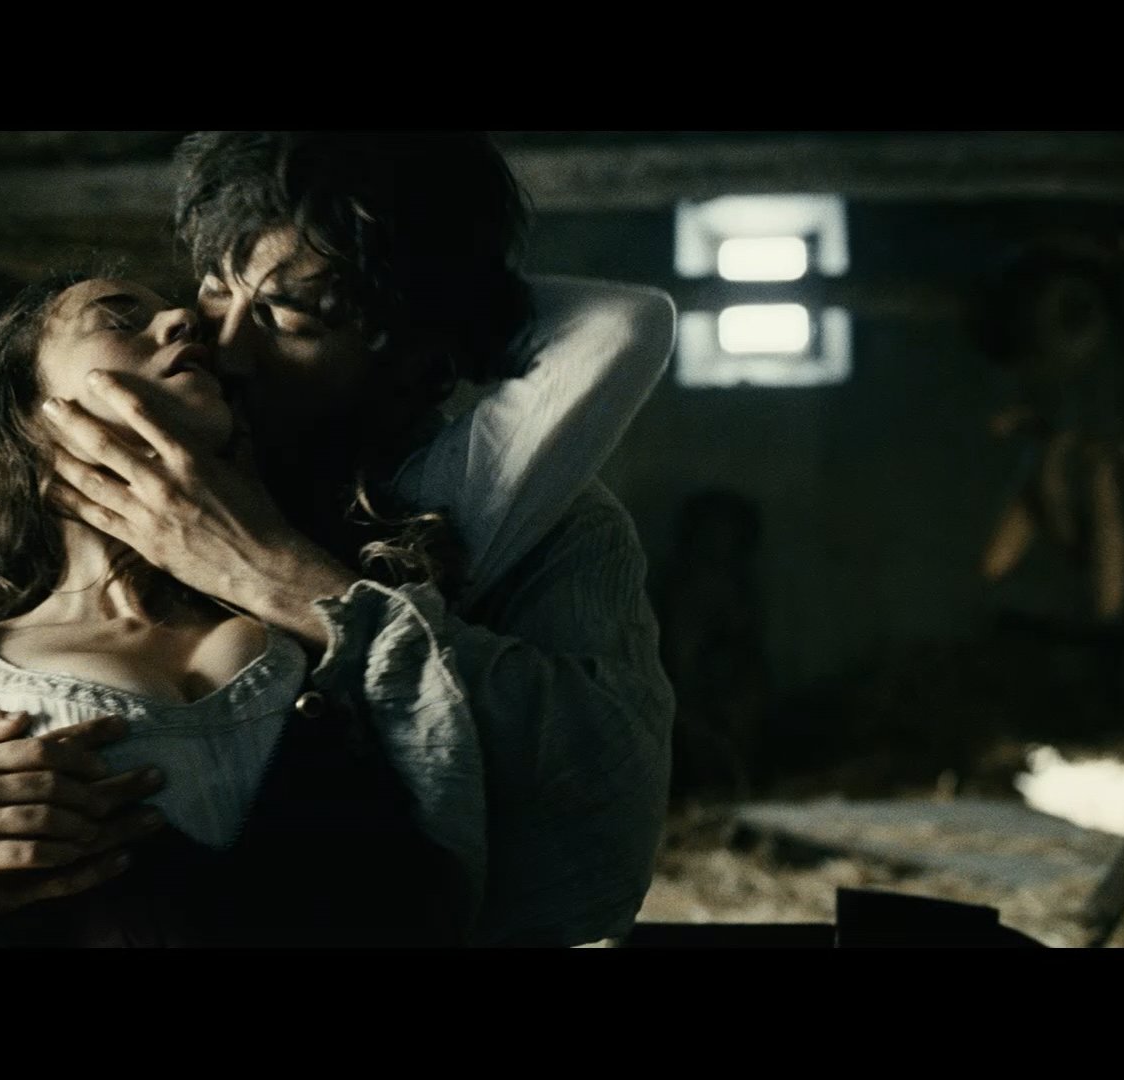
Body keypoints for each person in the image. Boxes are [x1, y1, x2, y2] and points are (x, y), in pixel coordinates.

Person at [38, 132, 678, 946]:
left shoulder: (546, 522)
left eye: (287, 317)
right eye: (215, 289)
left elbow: (600, 859)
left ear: (408, 348)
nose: (225, 348)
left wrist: (273, 576)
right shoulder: (129, 489)